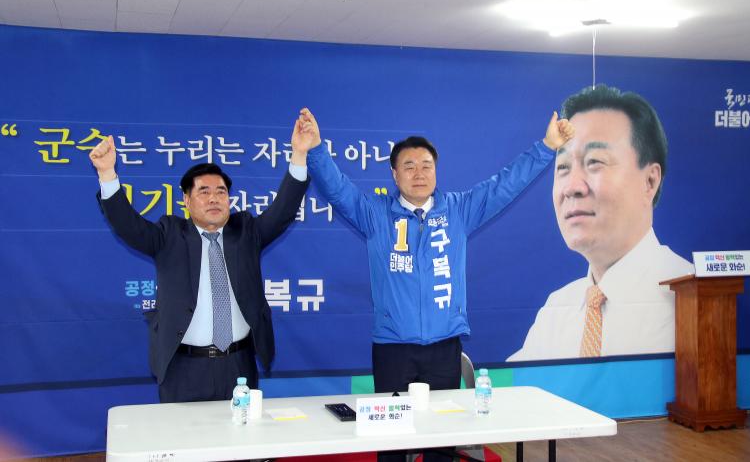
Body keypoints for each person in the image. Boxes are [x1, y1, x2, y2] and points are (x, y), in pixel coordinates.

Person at [296, 108, 573, 462]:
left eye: (426, 165)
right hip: (393, 348)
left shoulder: (458, 210)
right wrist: (316, 149)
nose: (419, 173)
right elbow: (338, 190)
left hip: (444, 347)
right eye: (409, 166)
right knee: (391, 439)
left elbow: (504, 185)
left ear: (436, 170)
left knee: (442, 438)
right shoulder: (375, 213)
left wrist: (547, 146)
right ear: (394, 174)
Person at [89, 126, 311, 403]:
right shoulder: (169, 235)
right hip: (183, 368)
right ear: (186, 200)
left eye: (221, 192)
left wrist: (299, 154)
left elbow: (283, 211)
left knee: (241, 430)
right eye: (204, 191)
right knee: (182, 431)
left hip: (239, 365)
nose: (214, 198)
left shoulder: (246, 231)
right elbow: (128, 226)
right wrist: (107, 174)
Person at [508, 85, 694, 362]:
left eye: (595, 162)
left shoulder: (692, 300)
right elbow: (512, 386)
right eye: (563, 167)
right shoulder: (557, 309)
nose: (572, 187)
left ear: (649, 181)